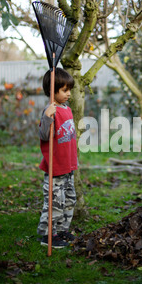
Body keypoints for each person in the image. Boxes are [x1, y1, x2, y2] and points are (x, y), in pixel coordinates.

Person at [37, 68, 78, 249]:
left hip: (68, 166)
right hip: (55, 168)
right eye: (64, 90)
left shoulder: (67, 109)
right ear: (52, 91)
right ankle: (48, 235)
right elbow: (45, 136)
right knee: (55, 203)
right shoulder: (50, 111)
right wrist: (47, 118)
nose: (68, 93)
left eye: (69, 89)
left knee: (69, 200)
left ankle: (62, 230)